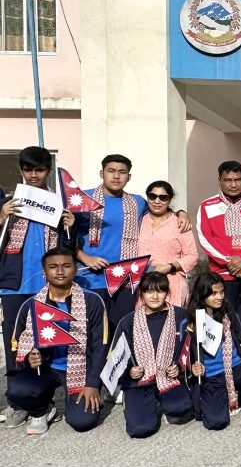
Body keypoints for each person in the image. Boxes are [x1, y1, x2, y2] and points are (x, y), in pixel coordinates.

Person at [0, 146, 76, 411]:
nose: (33, 175)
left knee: (48, 338)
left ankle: (43, 399)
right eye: (28, 169)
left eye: (39, 170)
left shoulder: (58, 204)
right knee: (14, 341)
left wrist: (70, 227)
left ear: (48, 170)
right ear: (21, 170)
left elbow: (69, 249)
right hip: (14, 284)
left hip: (49, 285)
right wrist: (1, 217)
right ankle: (17, 401)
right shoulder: (8, 202)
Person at [75, 154, 190, 327]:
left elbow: (161, 211)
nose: (116, 176)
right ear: (101, 173)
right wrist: (85, 258)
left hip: (126, 280)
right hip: (90, 278)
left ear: (129, 177)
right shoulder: (83, 199)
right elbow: (64, 236)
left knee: (122, 329)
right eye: (111, 171)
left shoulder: (137, 202)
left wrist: (181, 213)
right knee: (92, 331)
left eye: (122, 172)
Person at [6, 247, 106, 435]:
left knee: (82, 422)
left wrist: (93, 383)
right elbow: (19, 345)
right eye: (53, 267)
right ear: (44, 272)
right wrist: (29, 359)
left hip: (80, 368)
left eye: (66, 266)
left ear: (75, 269)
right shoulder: (31, 304)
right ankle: (42, 410)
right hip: (47, 368)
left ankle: (79, 400)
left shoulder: (92, 301)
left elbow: (101, 346)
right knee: (17, 390)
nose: (60, 271)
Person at [186, 272, 241, 430]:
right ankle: (223, 396)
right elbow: (183, 354)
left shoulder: (227, 311)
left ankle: (235, 395)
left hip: (237, 366)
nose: (219, 297)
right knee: (216, 422)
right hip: (211, 374)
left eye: (221, 292)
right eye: (213, 293)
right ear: (202, 295)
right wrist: (192, 367)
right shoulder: (190, 320)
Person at [111, 272, 193, 438]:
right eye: (149, 291)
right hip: (139, 381)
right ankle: (136, 401)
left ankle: (163, 401)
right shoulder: (128, 321)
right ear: (141, 294)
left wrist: (179, 367)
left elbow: (190, 348)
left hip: (168, 377)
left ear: (167, 292)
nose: (155, 296)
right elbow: (116, 358)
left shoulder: (181, 315)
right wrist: (130, 371)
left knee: (181, 408)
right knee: (141, 429)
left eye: (160, 291)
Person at [196, 161, 241, 331]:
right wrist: (231, 263)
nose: (233, 184)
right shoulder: (207, 205)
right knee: (224, 323)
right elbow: (205, 238)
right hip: (222, 274)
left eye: (237, 180)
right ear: (219, 181)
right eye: (228, 180)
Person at [138, 181, 198, 307]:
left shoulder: (179, 223)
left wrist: (170, 267)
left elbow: (192, 256)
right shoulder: (139, 221)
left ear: (170, 200)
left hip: (171, 283)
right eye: (152, 196)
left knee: (171, 318)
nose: (157, 201)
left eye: (163, 197)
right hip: (142, 284)